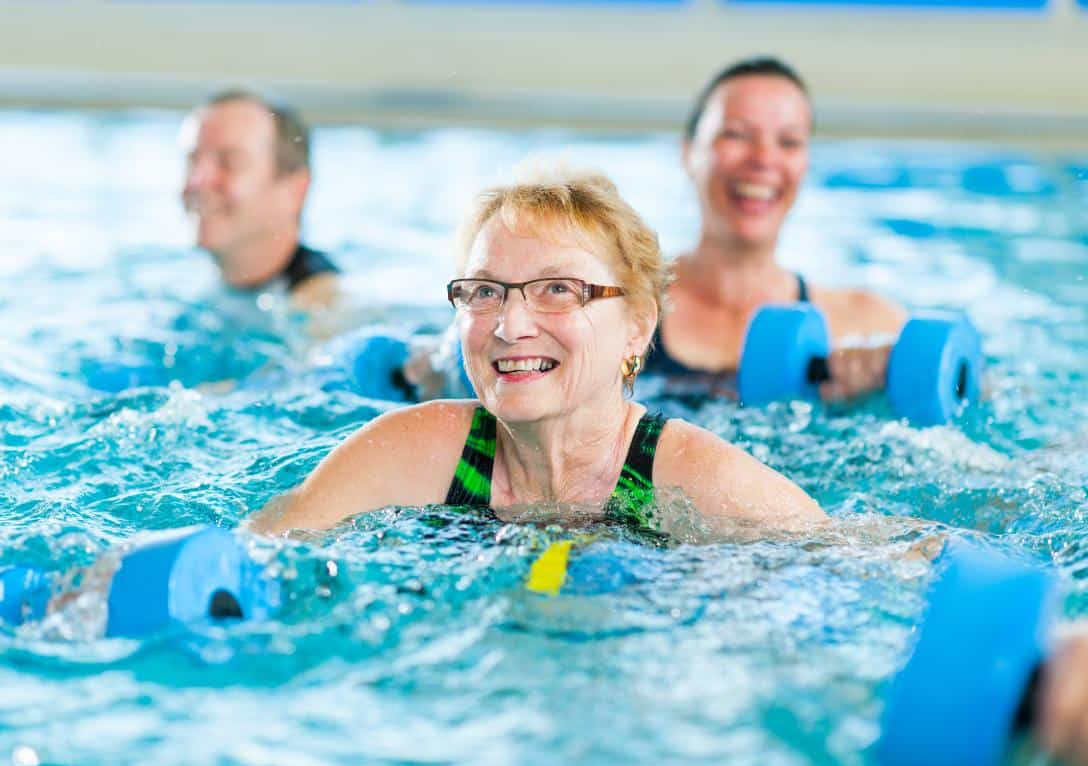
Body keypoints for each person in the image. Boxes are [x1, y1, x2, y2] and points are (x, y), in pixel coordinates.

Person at [248, 165, 827, 534]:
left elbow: (868, 566)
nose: (510, 324)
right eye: (484, 291)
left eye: (558, 289)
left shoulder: (700, 481)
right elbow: (258, 553)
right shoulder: (408, 454)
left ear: (638, 325)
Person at [646, 56, 907, 401]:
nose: (764, 159)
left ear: (805, 164)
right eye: (736, 134)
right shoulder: (623, 307)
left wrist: (888, 375)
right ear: (688, 153)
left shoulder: (866, 323)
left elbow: (975, 391)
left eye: (788, 142)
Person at [180, 89, 339, 307]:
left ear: (295, 189)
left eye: (229, 163)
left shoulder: (326, 313)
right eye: (193, 160)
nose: (196, 182)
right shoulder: (193, 284)